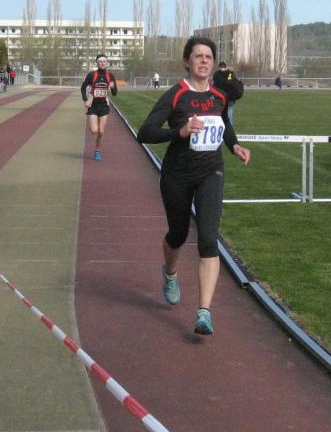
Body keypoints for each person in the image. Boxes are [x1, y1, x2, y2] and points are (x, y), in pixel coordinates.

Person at [137, 36, 251, 336]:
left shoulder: (219, 95)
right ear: (187, 61)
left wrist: (235, 145)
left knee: (208, 239)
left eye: (208, 57)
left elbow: (224, 123)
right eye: (198, 56)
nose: (203, 61)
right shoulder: (176, 95)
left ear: (213, 64)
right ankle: (170, 272)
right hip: (177, 174)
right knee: (178, 234)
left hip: (210, 171)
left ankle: (204, 313)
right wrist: (180, 131)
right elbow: (145, 132)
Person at [80, 54, 118, 161]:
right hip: (93, 106)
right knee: (94, 130)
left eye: (104, 61)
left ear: (107, 63)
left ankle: (97, 151)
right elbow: (83, 88)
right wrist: (85, 100)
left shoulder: (110, 76)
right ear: (97, 63)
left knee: (101, 131)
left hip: (104, 106)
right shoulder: (92, 75)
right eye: (100, 61)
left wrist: (113, 87)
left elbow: (115, 93)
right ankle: (93, 125)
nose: (102, 63)